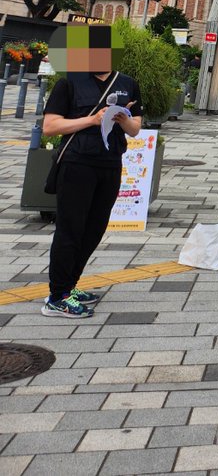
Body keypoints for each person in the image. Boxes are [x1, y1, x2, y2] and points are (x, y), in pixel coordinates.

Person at [41, 58, 142, 318]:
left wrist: (122, 119)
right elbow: (51, 127)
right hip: (77, 163)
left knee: (94, 229)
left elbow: (135, 130)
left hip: (109, 164)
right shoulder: (70, 82)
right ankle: (57, 297)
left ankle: (70, 286)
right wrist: (92, 120)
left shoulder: (127, 83)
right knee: (70, 230)